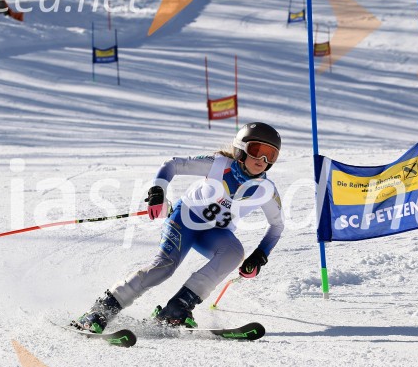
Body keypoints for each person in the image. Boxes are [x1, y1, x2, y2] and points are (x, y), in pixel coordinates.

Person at [73, 122, 285, 332]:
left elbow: (277, 225)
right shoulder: (219, 164)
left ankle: (177, 309)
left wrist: (259, 255)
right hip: (185, 220)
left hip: (215, 234)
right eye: (257, 151)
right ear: (241, 148)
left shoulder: (265, 190)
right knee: (164, 267)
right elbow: (172, 165)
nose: (262, 160)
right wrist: (158, 191)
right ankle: (101, 310)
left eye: (271, 155)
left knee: (233, 253)